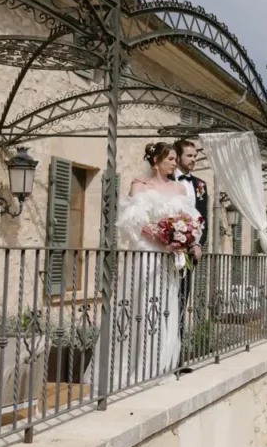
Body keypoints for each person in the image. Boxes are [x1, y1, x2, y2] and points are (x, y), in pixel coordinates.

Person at [85, 142, 203, 386]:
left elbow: (192, 220)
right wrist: (163, 238)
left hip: (170, 259)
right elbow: (134, 221)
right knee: (142, 307)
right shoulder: (140, 185)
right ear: (157, 161)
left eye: (174, 159)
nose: (174, 163)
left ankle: (159, 366)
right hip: (148, 254)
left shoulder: (180, 189)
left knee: (164, 309)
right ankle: (132, 367)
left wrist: (187, 238)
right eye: (170, 159)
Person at [170, 138, 209, 374]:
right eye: (189, 156)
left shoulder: (201, 185)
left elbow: (204, 218)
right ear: (178, 156)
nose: (194, 160)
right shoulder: (165, 179)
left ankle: (177, 357)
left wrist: (199, 245)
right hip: (167, 252)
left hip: (189, 254)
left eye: (195, 156)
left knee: (183, 301)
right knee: (165, 302)